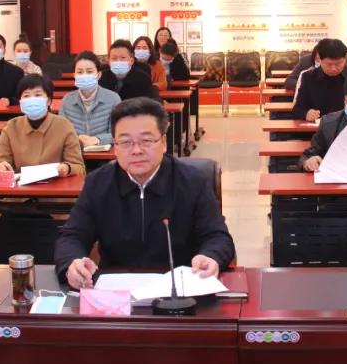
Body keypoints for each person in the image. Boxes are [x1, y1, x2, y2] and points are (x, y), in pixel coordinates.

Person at [54, 97, 235, 288]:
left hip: (181, 288)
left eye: (146, 140)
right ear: (115, 146)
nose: (136, 150)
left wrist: (211, 256)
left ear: (163, 142)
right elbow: (72, 236)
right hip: (116, 290)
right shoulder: (98, 183)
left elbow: (217, 236)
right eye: (125, 142)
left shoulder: (194, 181)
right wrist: (72, 263)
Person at [0, 75, 85, 177]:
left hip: (55, 184)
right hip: (21, 185)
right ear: (20, 101)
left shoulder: (64, 126)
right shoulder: (11, 127)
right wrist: (0, 167)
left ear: (49, 101)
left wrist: (67, 168)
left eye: (38, 95)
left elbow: (78, 167)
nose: (32, 100)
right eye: (26, 96)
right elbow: (1, 160)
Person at [59, 51, 121, 147]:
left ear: (98, 75)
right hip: (75, 152)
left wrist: (97, 139)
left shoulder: (113, 99)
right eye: (80, 72)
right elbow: (61, 132)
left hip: (103, 153)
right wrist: (76, 139)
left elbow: (118, 133)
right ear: (74, 75)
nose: (84, 75)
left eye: (89, 72)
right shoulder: (67, 100)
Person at [291, 38, 347, 122]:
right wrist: (305, 114)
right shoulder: (308, 77)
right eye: (329, 64)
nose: (333, 68)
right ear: (319, 60)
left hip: (346, 126)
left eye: (338, 63)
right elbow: (297, 110)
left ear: (345, 60)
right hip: (317, 127)